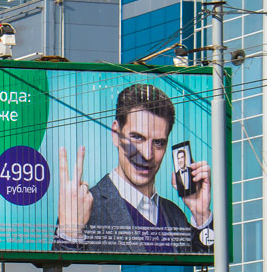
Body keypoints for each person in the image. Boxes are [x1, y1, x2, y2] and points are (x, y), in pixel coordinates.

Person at [53, 83, 212, 255]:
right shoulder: (85, 207)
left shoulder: (174, 215)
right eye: (137, 138)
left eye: (158, 142)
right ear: (115, 134)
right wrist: (69, 234)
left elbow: (206, 267)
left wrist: (200, 213)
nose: (147, 154)